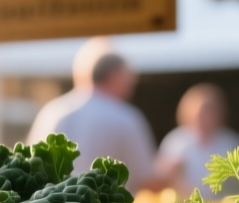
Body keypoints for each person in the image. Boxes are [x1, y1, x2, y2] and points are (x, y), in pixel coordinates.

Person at [27, 43, 157, 190]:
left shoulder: (52, 111)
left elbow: (32, 168)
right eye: (129, 79)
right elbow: (148, 179)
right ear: (114, 75)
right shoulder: (126, 117)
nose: (132, 86)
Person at [155, 84, 239, 199]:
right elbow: (159, 176)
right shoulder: (176, 141)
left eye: (209, 111)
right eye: (199, 113)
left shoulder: (231, 142)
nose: (203, 117)